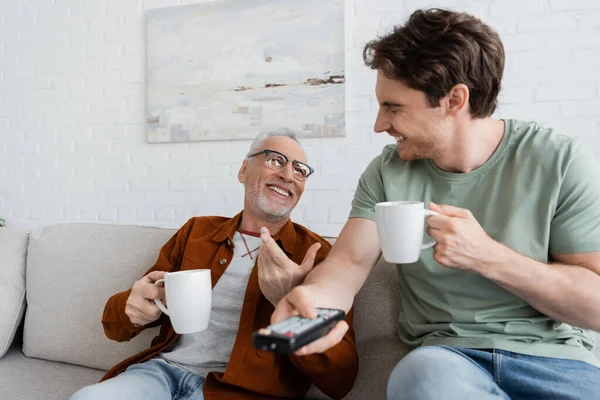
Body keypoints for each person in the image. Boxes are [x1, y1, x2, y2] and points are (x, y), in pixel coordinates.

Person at [259, 8, 600, 400]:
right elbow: (348, 265)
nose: (379, 124)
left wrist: (487, 256)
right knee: (420, 374)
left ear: (454, 100)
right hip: (448, 363)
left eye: (394, 107)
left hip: (558, 363)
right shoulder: (386, 173)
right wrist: (315, 301)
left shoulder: (559, 161)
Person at [70, 129, 358, 400]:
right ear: (243, 170)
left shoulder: (318, 255)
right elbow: (115, 327)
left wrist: (294, 308)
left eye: (299, 170)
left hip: (241, 392)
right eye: (276, 160)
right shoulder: (196, 232)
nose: (287, 175)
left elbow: (339, 382)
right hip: (160, 372)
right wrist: (130, 309)